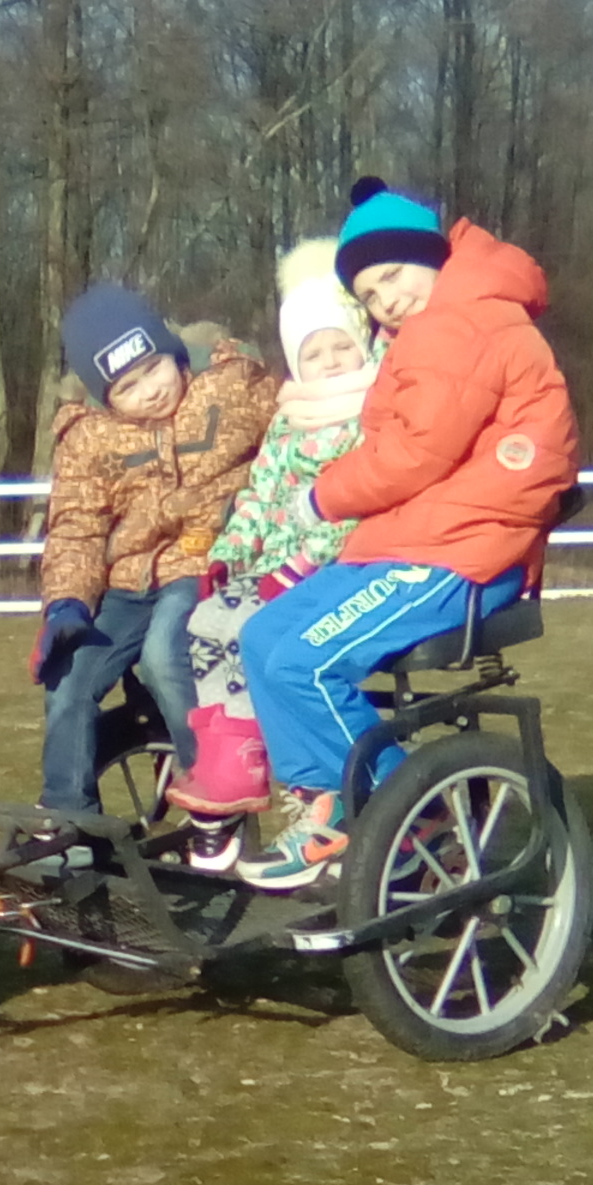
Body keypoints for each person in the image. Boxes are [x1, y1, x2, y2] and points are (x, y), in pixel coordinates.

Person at [231, 178, 580, 892]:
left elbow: (418, 451)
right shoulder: (435, 328)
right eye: (368, 294)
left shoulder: (464, 323)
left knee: (300, 660)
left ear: (431, 255)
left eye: (391, 275)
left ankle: (408, 813)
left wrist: (321, 497)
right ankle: (328, 800)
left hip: (460, 554)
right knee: (264, 636)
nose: (385, 300)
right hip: (415, 540)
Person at [165, 237, 376, 872]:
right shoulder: (292, 419)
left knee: (259, 634)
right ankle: (230, 754)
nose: (334, 361)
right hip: (272, 566)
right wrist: (228, 553)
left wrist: (300, 564)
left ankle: (287, 772)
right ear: (296, 362)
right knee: (206, 621)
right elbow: (259, 494)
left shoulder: (373, 411)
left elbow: (357, 505)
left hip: (331, 565)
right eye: (317, 352)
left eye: (344, 345)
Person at [32, 284, 273, 815]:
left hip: (205, 561)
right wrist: (67, 602)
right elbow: (76, 526)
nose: (151, 391)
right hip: (128, 582)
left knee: (168, 652)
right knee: (69, 674)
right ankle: (67, 815)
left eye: (154, 368)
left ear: (171, 349)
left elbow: (294, 435)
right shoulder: (88, 438)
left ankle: (214, 786)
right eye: (128, 387)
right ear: (102, 397)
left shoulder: (229, 387)